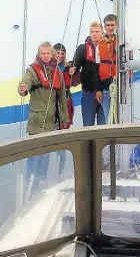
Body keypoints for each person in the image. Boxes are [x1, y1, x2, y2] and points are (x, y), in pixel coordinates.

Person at [18, 41, 69, 193]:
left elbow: (62, 99)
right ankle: (29, 186)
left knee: (45, 155)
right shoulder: (32, 71)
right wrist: (22, 89)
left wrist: (64, 120)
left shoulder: (57, 73)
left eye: (48, 53)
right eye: (43, 54)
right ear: (38, 55)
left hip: (51, 122)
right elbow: (25, 83)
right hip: (36, 121)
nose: (46, 56)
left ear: (52, 55)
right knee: (33, 156)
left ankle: (40, 185)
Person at [53, 43, 80, 179]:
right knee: (55, 134)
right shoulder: (49, 68)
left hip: (66, 102)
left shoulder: (68, 67)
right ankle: (51, 170)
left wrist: (73, 72)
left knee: (64, 134)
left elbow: (76, 81)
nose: (60, 55)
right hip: (53, 103)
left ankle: (60, 172)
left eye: (62, 53)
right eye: (57, 52)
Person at [73, 22, 106, 126]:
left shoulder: (108, 47)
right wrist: (71, 68)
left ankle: (104, 143)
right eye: (92, 32)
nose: (94, 34)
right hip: (88, 92)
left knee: (104, 125)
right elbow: (75, 66)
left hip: (106, 92)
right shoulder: (82, 49)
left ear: (102, 32)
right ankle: (89, 143)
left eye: (97, 32)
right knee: (88, 125)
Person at [97, 14, 118, 121]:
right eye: (108, 25)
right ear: (104, 27)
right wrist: (98, 90)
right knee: (108, 117)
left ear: (117, 25)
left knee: (120, 116)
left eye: (112, 25)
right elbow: (97, 68)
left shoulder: (122, 42)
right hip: (105, 87)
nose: (110, 28)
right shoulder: (99, 44)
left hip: (119, 85)